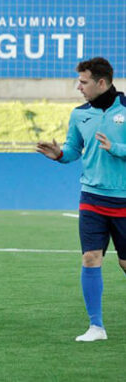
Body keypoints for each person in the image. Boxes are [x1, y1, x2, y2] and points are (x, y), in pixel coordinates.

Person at [37, 57, 126, 342]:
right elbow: (74, 148)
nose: (78, 87)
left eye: (84, 82)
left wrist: (117, 148)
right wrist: (61, 154)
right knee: (90, 258)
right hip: (91, 197)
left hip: (123, 200)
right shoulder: (79, 115)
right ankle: (96, 327)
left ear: (102, 82)